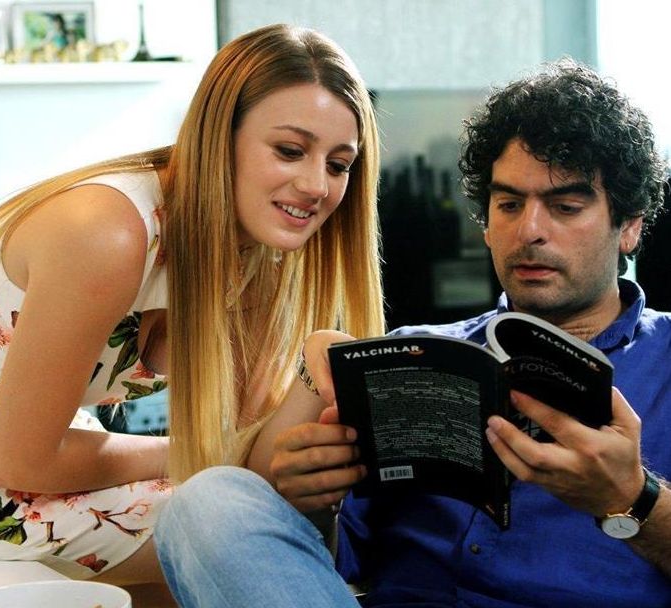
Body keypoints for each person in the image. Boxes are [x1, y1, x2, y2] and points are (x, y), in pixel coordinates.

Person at [154, 59, 671, 607]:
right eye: (508, 204)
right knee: (208, 500)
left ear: (629, 227)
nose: (530, 230)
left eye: (565, 207)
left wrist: (631, 497)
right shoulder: (416, 353)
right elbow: (331, 567)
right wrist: (313, 503)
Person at [0, 23, 384, 585]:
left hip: (15, 454)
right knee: (227, 537)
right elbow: (23, 461)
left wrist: (312, 368)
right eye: (290, 151)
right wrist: (196, 453)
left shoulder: (256, 253)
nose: (317, 185)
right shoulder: (107, 232)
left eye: (338, 164)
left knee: (249, 521)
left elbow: (256, 463)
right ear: (218, 137)